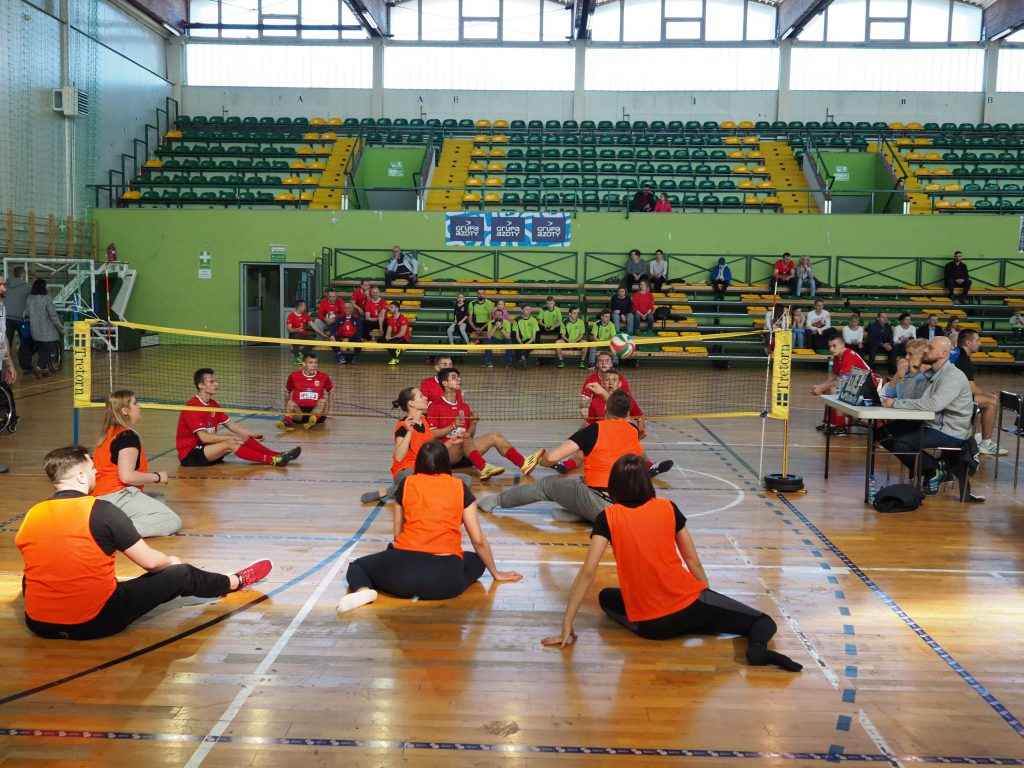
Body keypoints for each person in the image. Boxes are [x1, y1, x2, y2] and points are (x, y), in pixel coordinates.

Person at [541, 454, 803, 672]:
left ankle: (690, 621)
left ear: (614, 486)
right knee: (763, 622)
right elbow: (692, 560)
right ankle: (757, 651)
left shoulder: (607, 517)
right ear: (647, 483)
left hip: (652, 627)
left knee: (606, 597)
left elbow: (588, 572)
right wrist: (708, 600)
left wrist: (566, 626)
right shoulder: (668, 507)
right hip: (690, 605)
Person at [16, 446, 272, 640]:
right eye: (93, 468)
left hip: (39, 624)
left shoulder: (31, 514)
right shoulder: (102, 511)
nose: (97, 472)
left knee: (37, 568)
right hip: (95, 623)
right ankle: (233, 581)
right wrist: (171, 562)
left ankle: (54, 610)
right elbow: (151, 563)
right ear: (82, 477)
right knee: (180, 573)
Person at [339, 442, 522, 613]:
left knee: (358, 566)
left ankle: (364, 591)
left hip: (402, 578)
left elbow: (397, 534)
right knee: (476, 560)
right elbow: (478, 541)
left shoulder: (406, 483)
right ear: (446, 462)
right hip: (446, 582)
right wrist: (496, 573)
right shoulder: (460, 487)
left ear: (419, 462)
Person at [478, 391, 672, 522]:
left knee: (546, 485)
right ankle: (580, 513)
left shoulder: (593, 430)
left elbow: (552, 458)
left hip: (602, 504)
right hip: (628, 505)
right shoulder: (632, 429)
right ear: (627, 413)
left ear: (605, 409)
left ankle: (496, 501)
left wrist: (541, 458)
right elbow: (622, 413)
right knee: (580, 482)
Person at [881, 336, 982, 501]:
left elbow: (933, 405)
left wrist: (895, 403)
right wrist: (906, 374)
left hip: (950, 431)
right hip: (932, 424)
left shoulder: (953, 376)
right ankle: (933, 469)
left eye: (930, 348)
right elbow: (909, 396)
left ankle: (933, 470)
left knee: (902, 443)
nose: (925, 351)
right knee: (883, 433)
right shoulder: (931, 373)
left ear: (943, 353)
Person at [426, 368, 542, 481]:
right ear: (445, 383)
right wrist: (453, 426)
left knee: (495, 436)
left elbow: (469, 435)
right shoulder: (435, 406)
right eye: (454, 377)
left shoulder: (464, 407)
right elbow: (432, 434)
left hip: (465, 451)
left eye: (458, 377)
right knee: (463, 438)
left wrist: (473, 423)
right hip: (446, 454)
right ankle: (483, 467)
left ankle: (523, 463)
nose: (459, 379)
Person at [93, 390, 182, 538]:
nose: (139, 406)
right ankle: (112, 533)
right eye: (135, 403)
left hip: (101, 496)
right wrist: (157, 477)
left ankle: (113, 523)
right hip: (116, 496)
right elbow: (127, 477)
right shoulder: (127, 437)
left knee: (158, 498)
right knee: (172, 520)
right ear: (125, 411)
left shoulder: (109, 433)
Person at [360, 386, 466, 505]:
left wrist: (451, 442)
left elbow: (431, 452)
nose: (425, 398)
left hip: (425, 470)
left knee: (464, 480)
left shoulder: (425, 421)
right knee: (415, 479)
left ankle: (407, 492)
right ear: (411, 403)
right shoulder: (402, 426)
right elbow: (399, 456)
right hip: (407, 472)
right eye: (421, 396)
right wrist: (409, 431)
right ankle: (389, 492)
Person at [176, 368, 300, 467]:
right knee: (230, 442)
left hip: (207, 449)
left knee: (240, 436)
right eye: (211, 382)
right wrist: (229, 438)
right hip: (191, 454)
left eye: (216, 381)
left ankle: (278, 455)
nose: (216, 384)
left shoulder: (213, 404)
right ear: (200, 385)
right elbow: (204, 437)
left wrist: (251, 435)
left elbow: (232, 425)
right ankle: (273, 460)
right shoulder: (192, 407)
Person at [955, 329, 1008, 457]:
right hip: (953, 399)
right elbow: (971, 388)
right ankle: (986, 443)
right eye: (977, 340)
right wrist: (988, 395)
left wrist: (984, 394)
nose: (980, 343)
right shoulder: (963, 359)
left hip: (953, 394)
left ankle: (977, 438)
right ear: (968, 342)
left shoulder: (958, 353)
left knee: (982, 401)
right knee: (991, 402)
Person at [811, 330, 874, 436]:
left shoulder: (849, 355)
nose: (831, 349)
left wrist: (822, 388)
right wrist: (821, 386)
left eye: (834, 346)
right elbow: (834, 376)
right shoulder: (837, 356)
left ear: (842, 345)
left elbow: (841, 380)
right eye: (830, 346)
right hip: (858, 385)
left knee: (834, 390)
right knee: (829, 389)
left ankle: (841, 427)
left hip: (870, 388)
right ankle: (830, 423)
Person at [280, 352, 333, 431]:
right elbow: (286, 391)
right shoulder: (294, 376)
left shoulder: (324, 376)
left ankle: (312, 420)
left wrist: (329, 410)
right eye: (310, 363)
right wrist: (287, 409)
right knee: (290, 403)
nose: (314, 365)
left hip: (317, 412)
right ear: (304, 364)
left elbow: (331, 391)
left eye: (315, 363)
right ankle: (287, 422)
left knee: (322, 401)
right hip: (299, 413)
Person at [586, 369, 646, 437]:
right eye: (607, 380)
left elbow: (640, 417)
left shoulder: (627, 399)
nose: (610, 383)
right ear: (602, 383)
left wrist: (639, 433)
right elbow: (590, 423)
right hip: (605, 436)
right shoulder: (594, 402)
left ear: (619, 384)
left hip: (622, 435)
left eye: (614, 380)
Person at [26, 278, 63, 377]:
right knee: (49, 349)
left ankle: (45, 370)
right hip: (47, 330)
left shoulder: (30, 298)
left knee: (42, 349)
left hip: (35, 330)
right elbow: (53, 315)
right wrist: (60, 327)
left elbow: (27, 313)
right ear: (43, 287)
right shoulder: (46, 298)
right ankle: (39, 367)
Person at [0, 276, 18, 454]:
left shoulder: (2, 307)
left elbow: (3, 338)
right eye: (1, 285)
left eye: (4, 284)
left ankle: (10, 419)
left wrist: (9, 364)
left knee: (5, 389)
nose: (4, 288)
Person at [4, 266, 29, 358]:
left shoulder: (6, 285)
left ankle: (6, 361)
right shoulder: (27, 287)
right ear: (23, 274)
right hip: (20, 319)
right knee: (25, 341)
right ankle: (24, 362)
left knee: (7, 342)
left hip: (6, 318)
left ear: (14, 274)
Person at [483, 300, 514, 368]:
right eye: (496, 315)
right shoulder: (490, 322)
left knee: (509, 341)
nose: (498, 316)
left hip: (503, 339)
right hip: (494, 339)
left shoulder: (507, 323)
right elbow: (489, 336)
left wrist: (500, 328)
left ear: (502, 315)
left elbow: (508, 336)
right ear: (494, 316)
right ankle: (488, 362)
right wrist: (495, 327)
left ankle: (508, 363)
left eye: (500, 315)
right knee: (487, 341)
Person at [384, 301, 412, 366]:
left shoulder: (403, 318)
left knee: (390, 342)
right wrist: (387, 337)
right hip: (395, 338)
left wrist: (391, 338)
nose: (389, 309)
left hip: (404, 339)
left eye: (391, 307)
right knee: (382, 341)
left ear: (397, 308)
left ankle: (395, 358)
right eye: (389, 307)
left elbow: (402, 333)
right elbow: (388, 331)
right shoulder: (390, 318)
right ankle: (396, 356)